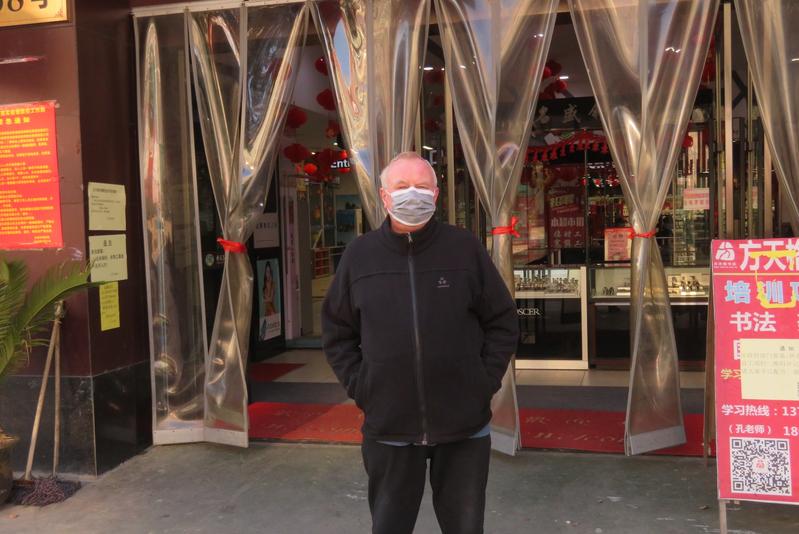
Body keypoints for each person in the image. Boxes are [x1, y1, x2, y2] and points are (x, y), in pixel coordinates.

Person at [322, 152, 518, 534]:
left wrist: (482, 381)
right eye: (401, 186)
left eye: (422, 186)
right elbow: (337, 331)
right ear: (383, 196)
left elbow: (502, 321)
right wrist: (364, 387)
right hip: (389, 426)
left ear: (437, 193)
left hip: (464, 426)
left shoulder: (464, 249)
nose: (413, 193)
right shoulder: (360, 256)